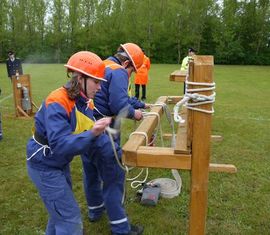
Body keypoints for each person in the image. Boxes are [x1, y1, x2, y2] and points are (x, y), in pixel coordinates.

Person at [27, 51, 142, 235]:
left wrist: (115, 155)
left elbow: (92, 137)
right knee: (70, 221)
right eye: (96, 82)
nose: (99, 88)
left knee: (59, 214)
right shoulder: (57, 101)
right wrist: (93, 132)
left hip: (57, 164)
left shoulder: (84, 103)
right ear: (80, 78)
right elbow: (61, 145)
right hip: (44, 165)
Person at [81, 43, 147, 235]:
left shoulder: (104, 64)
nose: (132, 74)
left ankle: (95, 211)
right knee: (114, 176)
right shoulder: (119, 72)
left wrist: (141, 104)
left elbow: (122, 97)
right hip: (106, 130)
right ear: (127, 63)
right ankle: (120, 228)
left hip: (87, 126)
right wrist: (135, 114)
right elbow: (119, 104)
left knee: (91, 171)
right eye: (132, 70)